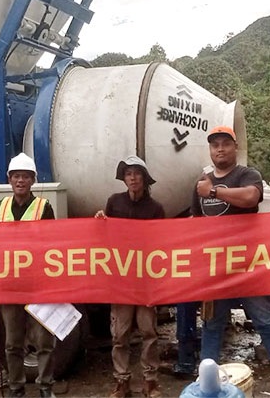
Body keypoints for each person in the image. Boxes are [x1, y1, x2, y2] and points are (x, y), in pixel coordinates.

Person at [194, 126, 270, 377]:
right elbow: (193, 226)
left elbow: (250, 198)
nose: (220, 149)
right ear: (210, 150)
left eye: (226, 143)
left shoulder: (247, 174)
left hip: (248, 265)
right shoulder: (201, 184)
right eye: (215, 145)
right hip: (215, 268)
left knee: (264, 319)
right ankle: (207, 378)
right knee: (212, 324)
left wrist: (214, 191)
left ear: (235, 147)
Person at [0, 153, 57, 398]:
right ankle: (16, 388)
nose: (20, 181)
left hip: (37, 285)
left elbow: (53, 243)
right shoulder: (0, 207)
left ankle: (45, 387)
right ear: (9, 179)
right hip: (10, 285)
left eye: (25, 177)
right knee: (12, 342)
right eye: (16, 177)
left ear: (33, 180)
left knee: (44, 341)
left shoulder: (44, 207)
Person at [94, 156, 164, 398]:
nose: (133, 178)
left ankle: (150, 381)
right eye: (128, 173)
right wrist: (101, 221)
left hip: (145, 282)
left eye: (137, 173)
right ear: (123, 178)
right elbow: (105, 237)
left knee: (149, 332)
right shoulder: (114, 203)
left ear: (144, 178)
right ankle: (121, 381)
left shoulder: (155, 208)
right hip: (121, 282)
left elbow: (161, 245)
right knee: (119, 335)